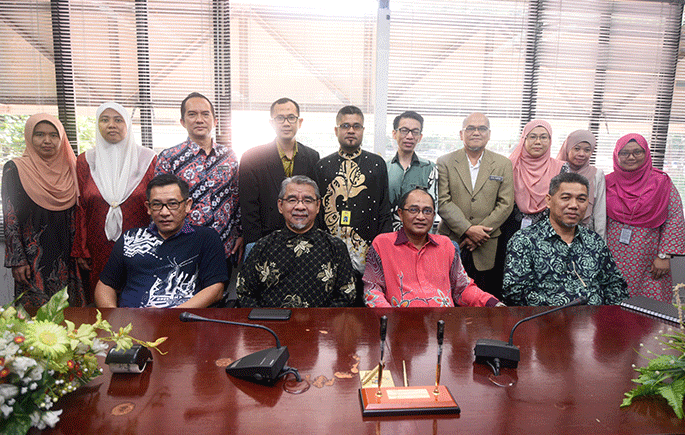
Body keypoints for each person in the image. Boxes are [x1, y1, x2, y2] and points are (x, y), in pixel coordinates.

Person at [94, 174, 228, 308]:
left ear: (187, 205)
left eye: (173, 204)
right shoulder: (130, 237)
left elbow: (215, 289)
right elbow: (105, 285)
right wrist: (112, 316)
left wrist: (170, 315)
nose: (164, 212)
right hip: (130, 318)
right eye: (157, 204)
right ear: (148, 207)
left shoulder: (205, 238)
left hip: (181, 318)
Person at [71, 102, 157, 303]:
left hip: (140, 245)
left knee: (139, 302)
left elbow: (156, 206)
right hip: (98, 247)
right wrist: (81, 248)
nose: (111, 125)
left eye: (118, 120)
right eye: (104, 120)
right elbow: (81, 207)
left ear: (128, 124)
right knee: (103, 304)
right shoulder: (86, 160)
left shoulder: (147, 159)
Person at [502, 172, 627, 306]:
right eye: (566, 198)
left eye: (581, 199)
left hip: (594, 317)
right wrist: (565, 309)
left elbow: (615, 286)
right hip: (546, 317)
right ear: (549, 201)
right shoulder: (524, 240)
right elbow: (515, 293)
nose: (574, 205)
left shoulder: (594, 241)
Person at [363, 188, 502, 308]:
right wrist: (390, 318)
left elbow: (463, 288)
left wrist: (493, 304)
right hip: (400, 323)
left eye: (427, 211)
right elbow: (372, 289)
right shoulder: (383, 244)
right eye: (413, 210)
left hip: (444, 323)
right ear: (400, 213)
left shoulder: (446, 245)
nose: (421, 217)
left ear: (434, 215)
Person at [155, 92, 243, 278]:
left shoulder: (229, 157)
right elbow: (159, 205)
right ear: (182, 122)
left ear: (215, 121)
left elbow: (236, 198)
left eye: (205, 114)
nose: (199, 120)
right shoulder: (169, 158)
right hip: (182, 248)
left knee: (220, 294)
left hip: (223, 246)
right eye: (192, 114)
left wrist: (240, 234)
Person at [2, 113, 84, 309]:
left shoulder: (72, 167)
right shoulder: (15, 169)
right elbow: (10, 216)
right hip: (33, 260)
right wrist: (17, 261)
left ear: (62, 138)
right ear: (29, 137)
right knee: (35, 317)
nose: (47, 140)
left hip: (69, 256)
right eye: (39, 134)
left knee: (72, 315)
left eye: (54, 135)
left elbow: (82, 213)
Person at [314, 105, 393, 304]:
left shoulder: (377, 164)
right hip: (330, 250)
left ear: (363, 130)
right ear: (336, 130)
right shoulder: (322, 166)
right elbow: (317, 213)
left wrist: (382, 249)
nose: (351, 130)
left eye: (356, 126)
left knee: (366, 305)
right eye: (345, 126)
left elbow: (384, 209)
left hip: (368, 250)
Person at [237, 176, 355, 308]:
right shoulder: (262, 247)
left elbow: (346, 295)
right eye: (292, 200)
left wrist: (321, 319)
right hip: (270, 321)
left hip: (322, 321)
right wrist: (265, 319)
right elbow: (244, 293)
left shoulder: (336, 247)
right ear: (280, 205)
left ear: (318, 206)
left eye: (308, 200)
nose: (300, 207)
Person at [436, 112, 514, 297]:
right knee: (447, 296)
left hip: (486, 243)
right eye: (470, 128)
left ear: (489, 134)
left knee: (482, 298)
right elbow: (442, 201)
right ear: (461, 134)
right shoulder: (444, 162)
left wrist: (480, 232)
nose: (476, 132)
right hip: (453, 239)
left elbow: (506, 204)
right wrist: (468, 229)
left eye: (482, 128)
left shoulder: (503, 164)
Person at [605, 134, 685, 303]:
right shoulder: (606, 182)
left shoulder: (661, 182)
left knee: (646, 307)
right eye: (624, 153)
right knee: (610, 303)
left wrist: (664, 256)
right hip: (610, 254)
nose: (631, 157)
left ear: (646, 153)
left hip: (648, 256)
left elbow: (674, 218)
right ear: (616, 155)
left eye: (637, 152)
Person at [239, 98, 320, 255]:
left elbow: (314, 204)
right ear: (272, 123)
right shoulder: (252, 158)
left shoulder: (312, 157)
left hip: (303, 240)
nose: (286, 123)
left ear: (300, 122)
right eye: (280, 118)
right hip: (264, 240)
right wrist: (256, 247)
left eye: (291, 118)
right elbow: (249, 209)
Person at [387, 111, 438, 231]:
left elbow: (432, 209)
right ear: (394, 134)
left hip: (419, 236)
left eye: (415, 132)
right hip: (388, 235)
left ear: (420, 137)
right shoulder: (384, 167)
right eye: (404, 130)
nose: (410, 136)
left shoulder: (429, 168)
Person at [556, 129, 606, 238]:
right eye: (577, 149)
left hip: (585, 233)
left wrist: (600, 241)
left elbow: (599, 212)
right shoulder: (556, 170)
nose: (582, 154)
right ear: (567, 148)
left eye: (587, 150)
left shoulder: (597, 175)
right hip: (557, 231)